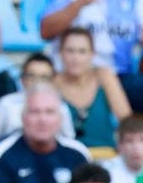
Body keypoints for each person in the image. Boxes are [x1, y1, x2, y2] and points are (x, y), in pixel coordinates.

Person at [38, 0, 143, 114]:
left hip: (122, 76)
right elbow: (45, 31)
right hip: (70, 74)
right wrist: (79, 3)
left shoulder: (138, 1)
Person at [53, 26, 131, 159]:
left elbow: (127, 121)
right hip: (67, 158)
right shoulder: (52, 84)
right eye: (70, 51)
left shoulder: (104, 76)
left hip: (106, 157)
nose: (75, 57)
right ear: (60, 53)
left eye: (82, 51)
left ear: (92, 54)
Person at [0, 53, 74, 156]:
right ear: (22, 79)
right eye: (31, 76)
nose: (37, 82)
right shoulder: (6, 104)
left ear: (53, 80)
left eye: (44, 77)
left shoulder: (60, 107)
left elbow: (68, 141)